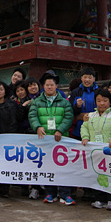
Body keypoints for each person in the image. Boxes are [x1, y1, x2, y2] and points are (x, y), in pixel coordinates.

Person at [28, 74, 75, 205]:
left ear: (56, 86)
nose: (49, 87)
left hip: (61, 140)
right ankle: (51, 193)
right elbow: (32, 116)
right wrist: (37, 127)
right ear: (43, 86)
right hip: (45, 140)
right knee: (48, 167)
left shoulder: (64, 102)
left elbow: (69, 117)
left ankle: (65, 194)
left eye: (52, 85)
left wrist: (60, 130)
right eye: (47, 85)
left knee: (63, 167)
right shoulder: (37, 102)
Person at [80, 89, 111, 211]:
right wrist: (85, 137)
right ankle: (99, 199)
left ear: (110, 102)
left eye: (105, 100)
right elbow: (84, 127)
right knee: (98, 175)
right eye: (99, 100)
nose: (102, 103)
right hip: (96, 152)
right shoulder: (90, 116)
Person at [0, 81, 18, 197]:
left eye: (1, 89)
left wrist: (9, 136)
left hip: (7, 138)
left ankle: (5, 189)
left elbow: (14, 121)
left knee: (6, 164)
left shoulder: (11, 104)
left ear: (5, 91)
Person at [69, 67, 98, 140]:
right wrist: (77, 106)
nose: (87, 80)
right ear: (81, 78)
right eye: (85, 77)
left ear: (94, 79)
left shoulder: (98, 92)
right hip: (79, 128)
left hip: (97, 127)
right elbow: (71, 111)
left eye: (90, 77)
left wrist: (90, 115)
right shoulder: (75, 92)